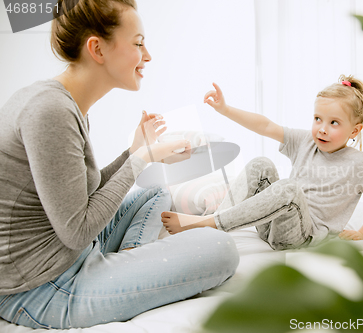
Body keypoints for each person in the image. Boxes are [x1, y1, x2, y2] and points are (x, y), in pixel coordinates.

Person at [0, 0, 239, 329]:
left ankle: (122, 267)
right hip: (42, 286)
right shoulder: (50, 111)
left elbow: (85, 194)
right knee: (222, 248)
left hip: (71, 251)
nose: (148, 55)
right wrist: (143, 158)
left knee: (154, 191)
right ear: (97, 49)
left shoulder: (64, 102)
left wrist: (134, 151)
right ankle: (124, 269)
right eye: (138, 43)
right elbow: (77, 229)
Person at [162, 75, 363, 250]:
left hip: (303, 237)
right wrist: (225, 109)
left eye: (334, 123)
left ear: (355, 130)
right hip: (271, 226)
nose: (322, 128)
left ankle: (210, 223)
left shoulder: (361, 164)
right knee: (261, 164)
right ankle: (212, 225)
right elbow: (266, 126)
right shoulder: (306, 142)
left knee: (289, 187)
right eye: (317, 119)